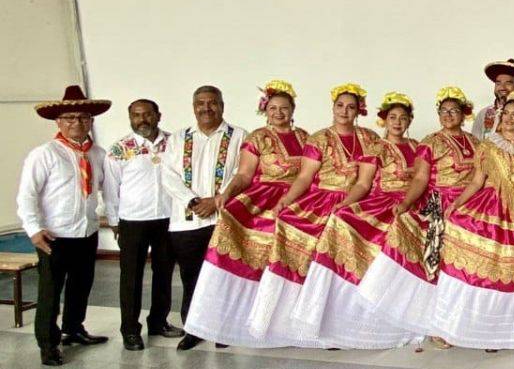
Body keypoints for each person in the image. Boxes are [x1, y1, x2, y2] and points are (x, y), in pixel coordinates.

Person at [247, 83, 379, 347]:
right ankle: (294, 322)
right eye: (340, 106)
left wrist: (345, 205)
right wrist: (285, 200)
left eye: (351, 107)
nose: (345, 111)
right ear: (333, 108)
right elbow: (305, 177)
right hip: (321, 199)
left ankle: (348, 322)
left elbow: (364, 182)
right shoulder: (318, 138)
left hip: (357, 200)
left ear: (359, 110)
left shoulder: (370, 138)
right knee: (299, 242)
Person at [291, 92, 425, 349]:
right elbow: (364, 183)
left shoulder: (419, 147)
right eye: (392, 117)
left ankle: (408, 315)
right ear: (384, 120)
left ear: (410, 121)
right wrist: (345, 204)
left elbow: (424, 180)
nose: (397, 122)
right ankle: (349, 315)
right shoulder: (376, 148)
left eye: (403, 118)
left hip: (414, 202)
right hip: (385, 202)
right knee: (347, 226)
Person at [181, 80, 308, 349]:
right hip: (263, 201)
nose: (279, 113)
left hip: (297, 200)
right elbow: (244, 175)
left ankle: (284, 323)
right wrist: (226, 194)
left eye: (284, 108)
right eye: (273, 108)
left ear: (292, 110)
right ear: (265, 110)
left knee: (293, 262)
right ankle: (228, 324)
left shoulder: (305, 138)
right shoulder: (257, 138)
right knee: (249, 262)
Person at [356, 86, 477, 343]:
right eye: (443, 111)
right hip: (438, 202)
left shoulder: (476, 143)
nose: (448, 115)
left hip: (469, 203)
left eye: (454, 111)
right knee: (438, 260)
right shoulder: (430, 142)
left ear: (464, 114)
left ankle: (466, 320)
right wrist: (407, 203)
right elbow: (421, 178)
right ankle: (436, 325)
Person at [425, 88, 514, 350]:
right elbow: (478, 180)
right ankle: (455, 327)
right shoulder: (487, 144)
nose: (510, 118)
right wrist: (456, 203)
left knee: (513, 271)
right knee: (483, 269)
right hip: (491, 206)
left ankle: (503, 333)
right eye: (506, 113)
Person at [18, 85, 111, 366]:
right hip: (54, 235)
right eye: (69, 118)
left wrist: (112, 220)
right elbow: (27, 195)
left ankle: (74, 329)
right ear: (58, 122)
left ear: (91, 121)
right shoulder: (44, 154)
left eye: (83, 117)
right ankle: (48, 343)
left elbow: (107, 191)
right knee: (50, 291)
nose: (76, 123)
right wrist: (34, 229)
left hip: (86, 231)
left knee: (81, 285)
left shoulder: (98, 154)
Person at [161, 85, 247, 350]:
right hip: (186, 221)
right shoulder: (178, 138)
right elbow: (168, 175)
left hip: (223, 219)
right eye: (201, 103)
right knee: (191, 277)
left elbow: (242, 173)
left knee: (223, 275)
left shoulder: (239, 136)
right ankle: (193, 328)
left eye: (212, 102)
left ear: (222, 105)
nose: (206, 108)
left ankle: (223, 330)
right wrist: (194, 201)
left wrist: (216, 200)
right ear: (193, 106)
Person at [102, 98, 181, 350]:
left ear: (159, 115)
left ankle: (158, 322)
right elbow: (110, 191)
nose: (142, 120)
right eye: (136, 115)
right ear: (130, 118)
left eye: (147, 114)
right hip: (133, 221)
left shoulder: (175, 143)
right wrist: (114, 222)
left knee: (164, 273)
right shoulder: (119, 149)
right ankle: (130, 330)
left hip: (168, 219)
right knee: (131, 278)